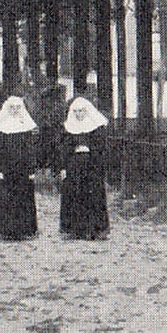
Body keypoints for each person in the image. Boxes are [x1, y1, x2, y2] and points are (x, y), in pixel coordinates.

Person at [0, 96, 39, 240]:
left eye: (17, 108)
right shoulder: (0, 130)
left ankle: (23, 229)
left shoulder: (26, 129)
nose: (14, 110)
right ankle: (3, 229)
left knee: (21, 199)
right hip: (4, 170)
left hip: (21, 171)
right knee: (4, 198)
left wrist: (31, 169)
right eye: (11, 108)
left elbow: (30, 151)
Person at [59, 96, 110, 240]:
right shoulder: (68, 129)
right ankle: (75, 229)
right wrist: (63, 167)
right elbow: (63, 149)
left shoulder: (97, 129)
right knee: (75, 196)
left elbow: (101, 148)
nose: (79, 114)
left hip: (92, 166)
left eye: (82, 111)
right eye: (76, 112)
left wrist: (88, 149)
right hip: (74, 167)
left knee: (93, 196)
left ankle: (96, 228)